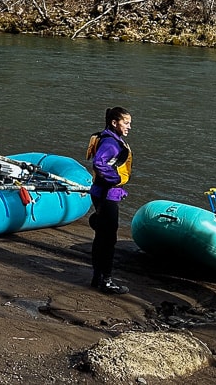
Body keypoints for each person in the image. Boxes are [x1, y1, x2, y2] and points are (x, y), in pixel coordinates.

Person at [87, 106, 133, 295]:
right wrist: (114, 179)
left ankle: (96, 277)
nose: (130, 127)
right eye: (126, 123)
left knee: (101, 237)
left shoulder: (109, 138)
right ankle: (106, 281)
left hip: (101, 194)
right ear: (114, 123)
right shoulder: (111, 143)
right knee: (108, 239)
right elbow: (99, 162)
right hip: (106, 195)